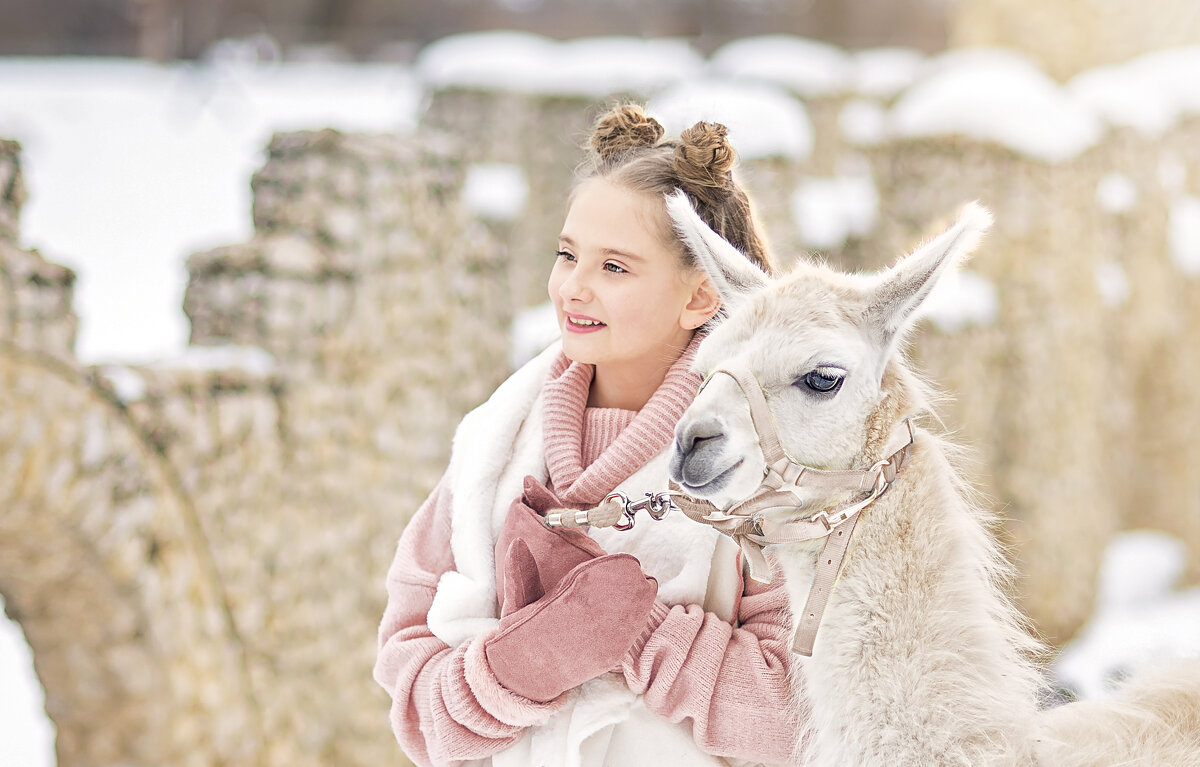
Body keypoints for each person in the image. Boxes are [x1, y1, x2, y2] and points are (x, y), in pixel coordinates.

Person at [374, 103, 806, 767]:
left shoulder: (774, 467)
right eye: (567, 254)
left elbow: (801, 720)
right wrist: (515, 666)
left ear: (700, 295)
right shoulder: (493, 444)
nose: (573, 288)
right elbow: (413, 698)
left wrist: (640, 629)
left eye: (614, 268)